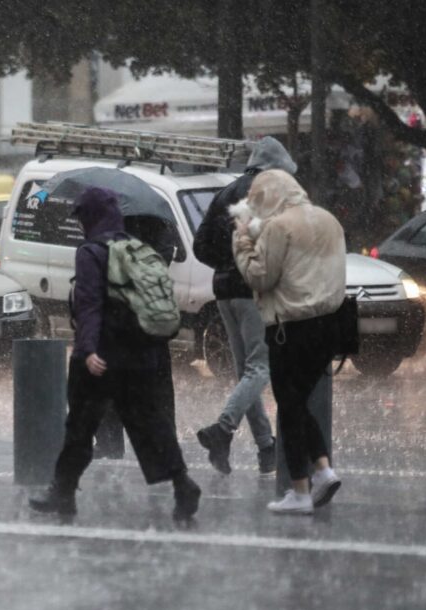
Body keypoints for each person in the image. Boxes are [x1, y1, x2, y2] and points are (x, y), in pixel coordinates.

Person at [30, 187, 200, 521]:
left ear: (90, 217)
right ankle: (183, 483)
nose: (79, 225)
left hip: (103, 357)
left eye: (81, 217)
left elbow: (90, 305)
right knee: (151, 423)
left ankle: (61, 492)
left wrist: (88, 350)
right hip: (141, 354)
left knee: (79, 426)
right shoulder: (136, 248)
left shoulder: (92, 252)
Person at [233, 169, 346, 515]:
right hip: (330, 326)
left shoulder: (279, 227)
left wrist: (242, 240)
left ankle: (300, 490)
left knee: (290, 405)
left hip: (291, 327)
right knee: (296, 403)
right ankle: (323, 470)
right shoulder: (329, 220)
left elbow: (259, 276)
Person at [192, 137, 297, 476]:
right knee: (260, 366)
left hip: (223, 290)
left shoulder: (226, 192)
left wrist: (226, 264)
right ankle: (222, 430)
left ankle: (267, 448)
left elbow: (200, 245)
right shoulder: (270, 192)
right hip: (253, 289)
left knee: (246, 371)